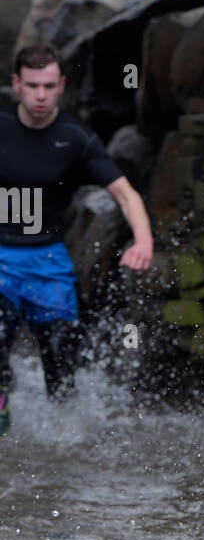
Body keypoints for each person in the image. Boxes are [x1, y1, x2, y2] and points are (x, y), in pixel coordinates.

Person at [0, 42, 154, 434]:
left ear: (62, 86)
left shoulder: (76, 138)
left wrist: (143, 241)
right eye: (32, 85)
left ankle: (60, 447)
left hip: (49, 264)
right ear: (16, 83)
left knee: (61, 372)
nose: (40, 96)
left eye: (49, 86)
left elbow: (126, 194)